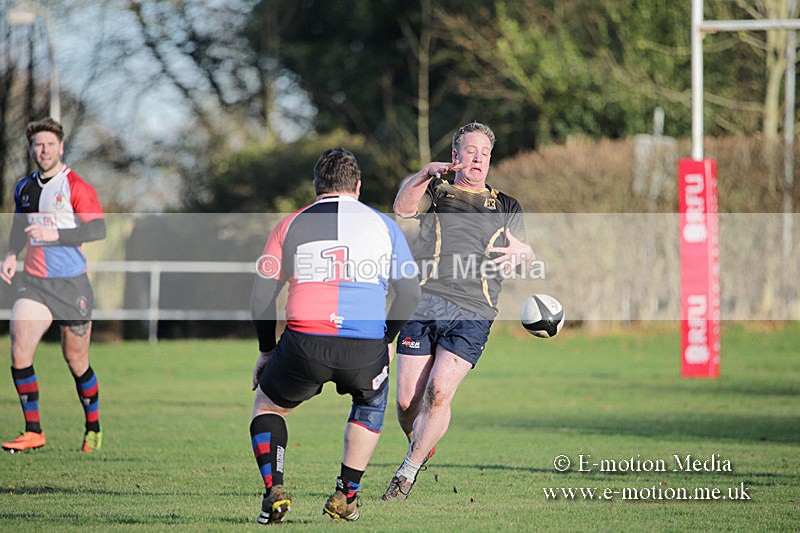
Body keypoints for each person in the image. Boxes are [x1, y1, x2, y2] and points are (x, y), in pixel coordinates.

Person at [248, 147, 421, 524]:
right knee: (370, 405)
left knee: (269, 408)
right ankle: (346, 495)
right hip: (364, 345)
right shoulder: (384, 226)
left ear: (316, 186)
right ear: (358, 186)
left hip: (304, 341)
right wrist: (386, 339)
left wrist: (266, 351)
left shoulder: (290, 224)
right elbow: (410, 293)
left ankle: (273, 488)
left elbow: (261, 296)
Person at [382, 121, 534, 500]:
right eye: (470, 150)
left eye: (484, 152)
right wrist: (422, 174)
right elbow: (402, 208)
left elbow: (521, 253)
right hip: (425, 301)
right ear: (455, 156)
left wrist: (524, 254)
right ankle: (421, 442)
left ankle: (407, 473)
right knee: (406, 402)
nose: (478, 157)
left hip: (473, 309)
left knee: (438, 393)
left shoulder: (506, 205)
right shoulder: (436, 189)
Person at [1, 117, 107, 453]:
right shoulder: (24, 188)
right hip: (34, 283)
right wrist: (10, 254)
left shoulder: (76, 186)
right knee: (19, 349)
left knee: (76, 360)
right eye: (37, 145)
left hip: (72, 285)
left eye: (49, 144)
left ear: (61, 147)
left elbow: (97, 230)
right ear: (32, 149)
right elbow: (20, 227)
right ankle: (34, 430)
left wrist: (56, 235)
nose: (43, 150)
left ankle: (93, 427)